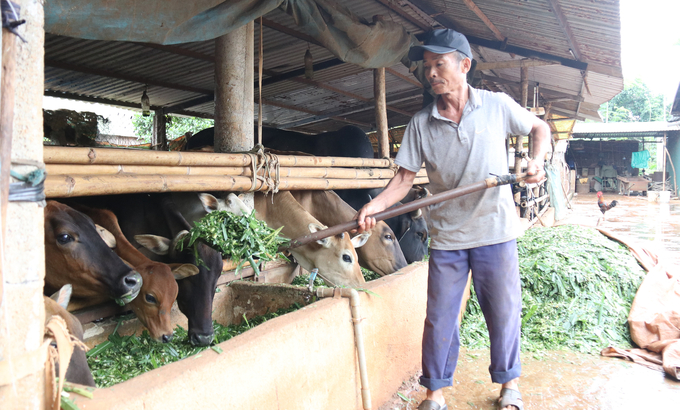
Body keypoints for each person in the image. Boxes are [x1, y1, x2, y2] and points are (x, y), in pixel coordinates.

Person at [355, 29, 551, 410]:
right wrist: (373, 207)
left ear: (464, 65)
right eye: (426, 66)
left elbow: (539, 128)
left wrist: (537, 160)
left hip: (495, 230)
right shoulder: (420, 124)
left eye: (438, 64)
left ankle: (509, 386)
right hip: (447, 237)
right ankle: (435, 394)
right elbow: (403, 180)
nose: (430, 73)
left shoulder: (496, 105)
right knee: (440, 317)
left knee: (503, 310)